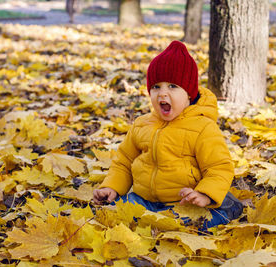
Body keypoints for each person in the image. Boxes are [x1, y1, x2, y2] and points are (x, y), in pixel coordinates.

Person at [93, 40, 243, 230]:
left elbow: (219, 167)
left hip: (184, 205)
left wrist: (205, 194)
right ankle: (151, 219)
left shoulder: (203, 127)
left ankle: (226, 207)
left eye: (172, 86)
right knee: (112, 214)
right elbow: (124, 162)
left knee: (188, 224)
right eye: (156, 87)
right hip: (144, 200)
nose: (162, 94)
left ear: (189, 93)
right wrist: (111, 187)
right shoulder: (142, 124)